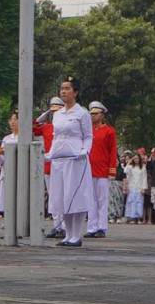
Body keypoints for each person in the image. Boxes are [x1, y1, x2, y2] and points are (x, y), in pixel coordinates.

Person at [46, 76, 93, 247]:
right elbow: (55, 137)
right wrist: (50, 153)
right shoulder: (58, 114)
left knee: (76, 196)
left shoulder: (82, 113)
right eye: (62, 88)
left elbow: (88, 136)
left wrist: (84, 151)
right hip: (59, 158)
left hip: (75, 159)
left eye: (67, 88)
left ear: (76, 92)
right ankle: (67, 234)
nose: (64, 91)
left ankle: (76, 235)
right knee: (61, 196)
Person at [86, 102, 118, 238]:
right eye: (92, 114)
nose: (93, 116)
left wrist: (111, 170)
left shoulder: (109, 131)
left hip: (103, 169)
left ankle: (101, 227)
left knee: (102, 200)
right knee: (91, 200)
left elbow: (112, 151)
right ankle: (92, 227)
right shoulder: (88, 130)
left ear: (102, 115)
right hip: (90, 169)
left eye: (96, 114)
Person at [36, 97, 64, 237]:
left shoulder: (65, 127)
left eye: (56, 111)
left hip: (62, 165)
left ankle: (64, 226)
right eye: (52, 112)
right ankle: (56, 225)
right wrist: (43, 115)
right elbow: (31, 127)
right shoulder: (47, 127)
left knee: (62, 196)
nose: (54, 114)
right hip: (49, 166)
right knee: (53, 197)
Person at [0, 112, 20, 216]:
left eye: (15, 119)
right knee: (7, 197)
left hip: (19, 170)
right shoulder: (6, 139)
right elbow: (1, 160)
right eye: (11, 120)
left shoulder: (24, 137)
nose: (12, 122)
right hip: (7, 170)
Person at [123, 152, 147, 223]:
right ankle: (132, 218)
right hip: (132, 187)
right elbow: (125, 171)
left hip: (139, 187)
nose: (136, 160)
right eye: (135, 158)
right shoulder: (130, 167)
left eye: (137, 158)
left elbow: (144, 178)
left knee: (139, 202)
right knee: (132, 202)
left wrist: (143, 188)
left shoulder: (143, 167)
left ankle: (138, 218)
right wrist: (129, 162)